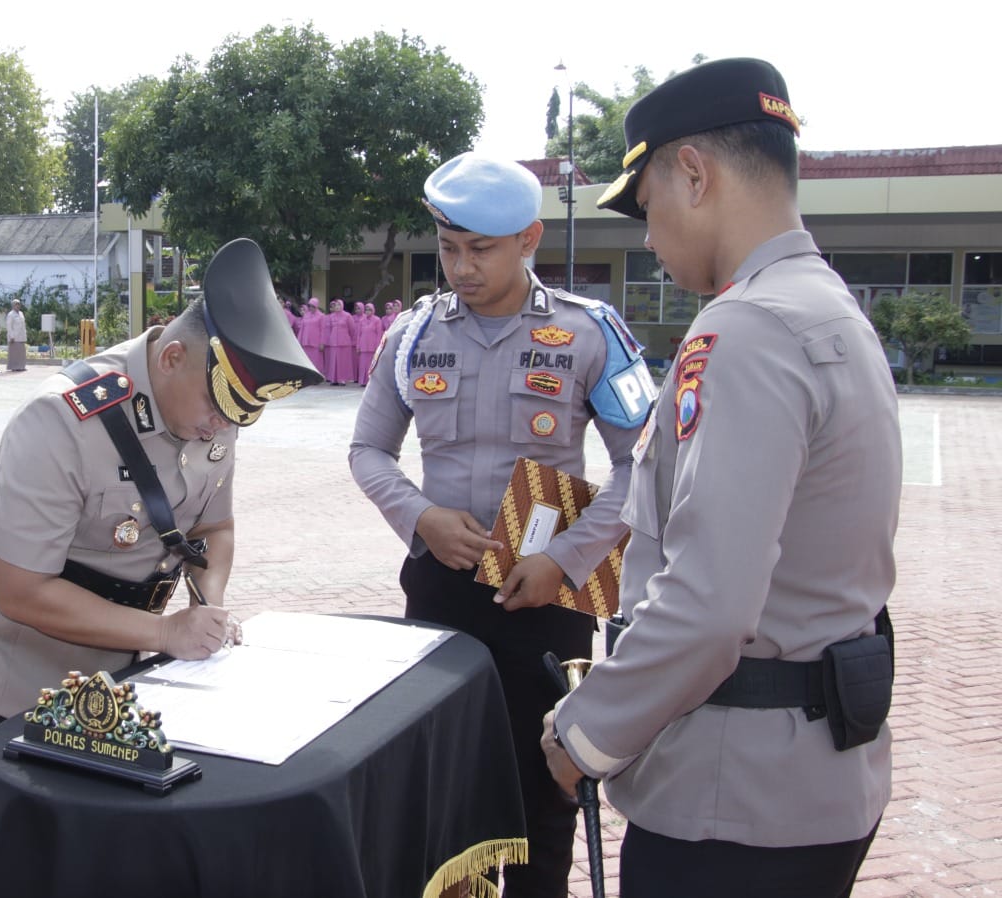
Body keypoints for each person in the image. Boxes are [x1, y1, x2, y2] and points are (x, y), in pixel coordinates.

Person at [542, 58, 899, 897]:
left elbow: (710, 602)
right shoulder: (829, 309)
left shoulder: (747, 329)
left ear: (693, 173)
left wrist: (583, 735)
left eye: (647, 204)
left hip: (732, 799)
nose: (648, 234)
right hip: (818, 777)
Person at [349, 153, 652, 897]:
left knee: (543, 782)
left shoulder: (590, 334)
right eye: (449, 249)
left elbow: (641, 465)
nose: (461, 267)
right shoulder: (412, 336)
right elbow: (368, 450)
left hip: (542, 594)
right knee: (437, 776)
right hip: (441, 588)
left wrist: (570, 560)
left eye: (480, 249)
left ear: (529, 239)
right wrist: (421, 516)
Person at [0, 237, 323, 785]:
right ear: (171, 359)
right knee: (29, 837)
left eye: (240, 417)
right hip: (17, 660)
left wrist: (206, 607)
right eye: (218, 409)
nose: (224, 428)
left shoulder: (209, 411)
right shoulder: (58, 421)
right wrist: (165, 635)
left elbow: (215, 527)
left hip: (123, 652)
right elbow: (22, 590)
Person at [324, 298, 356, 385]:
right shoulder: (332, 316)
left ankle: (342, 379)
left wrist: (347, 338)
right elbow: (329, 329)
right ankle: (334, 379)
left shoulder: (347, 316)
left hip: (344, 342)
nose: (337, 307)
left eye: (339, 305)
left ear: (342, 305)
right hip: (334, 342)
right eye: (336, 305)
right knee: (333, 361)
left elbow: (352, 329)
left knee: (343, 361)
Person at [295, 296, 325, 381]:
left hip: (316, 342)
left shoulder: (321, 316)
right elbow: (302, 329)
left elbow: (323, 330)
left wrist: (322, 343)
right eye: (310, 306)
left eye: (313, 306)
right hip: (305, 341)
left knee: (316, 361)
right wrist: (299, 341)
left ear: (316, 306)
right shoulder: (306, 315)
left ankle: (317, 377)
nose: (311, 308)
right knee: (307, 360)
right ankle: (307, 377)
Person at [5, 298, 28, 372]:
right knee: (14, 353)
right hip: (14, 337)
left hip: (21, 336)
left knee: (21, 353)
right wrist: (11, 336)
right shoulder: (11, 314)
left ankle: (21, 366)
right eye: (16, 304)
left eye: (18, 304)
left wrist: (25, 335)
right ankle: (14, 367)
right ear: (13, 306)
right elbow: (9, 326)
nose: (18, 306)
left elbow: (23, 325)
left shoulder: (21, 313)